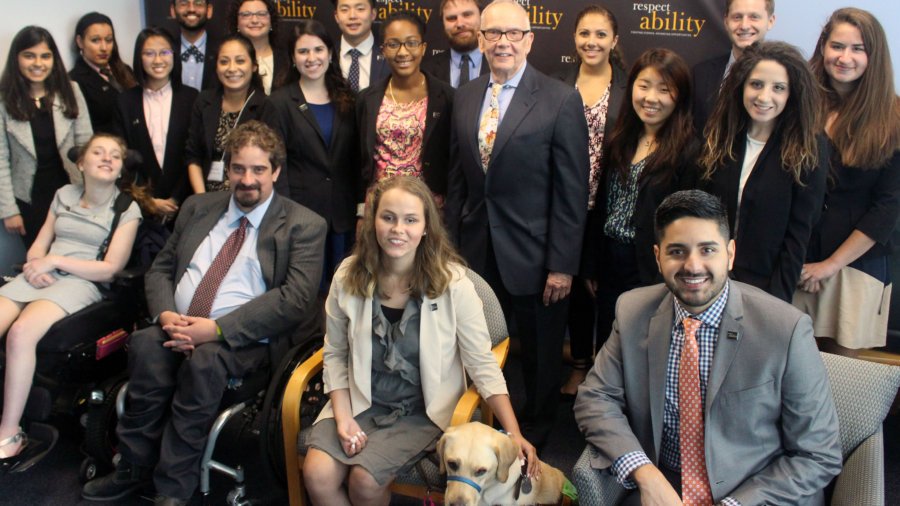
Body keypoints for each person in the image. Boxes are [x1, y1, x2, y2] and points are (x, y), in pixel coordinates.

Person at [81, 121, 327, 505]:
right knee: (146, 346)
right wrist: (165, 316)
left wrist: (216, 330)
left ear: (275, 172)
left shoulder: (304, 225)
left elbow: (294, 299)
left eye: (259, 170)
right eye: (239, 168)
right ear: (227, 169)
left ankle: (172, 489)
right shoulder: (198, 208)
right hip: (174, 326)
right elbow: (162, 268)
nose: (247, 180)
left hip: (242, 340)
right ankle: (132, 466)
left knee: (204, 365)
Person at [574, 189, 842, 505]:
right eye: (677, 251)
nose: (693, 266)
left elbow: (818, 453)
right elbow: (595, 397)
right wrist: (644, 472)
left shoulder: (785, 329)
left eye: (707, 250)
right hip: (665, 487)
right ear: (658, 257)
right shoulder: (633, 311)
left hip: (755, 493)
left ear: (730, 254)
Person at [302, 175, 538, 505]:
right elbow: (336, 353)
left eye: (410, 220)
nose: (398, 229)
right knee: (316, 473)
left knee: (365, 482)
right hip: (359, 399)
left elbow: (482, 365)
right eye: (388, 217)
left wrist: (514, 433)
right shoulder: (347, 274)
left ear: (426, 227)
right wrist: (342, 419)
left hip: (420, 410)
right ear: (373, 222)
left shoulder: (454, 284)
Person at [445, 0, 589, 448]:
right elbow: (457, 179)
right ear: (481, 39)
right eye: (492, 34)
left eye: (513, 33)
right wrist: (447, 249)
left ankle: (538, 433)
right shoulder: (466, 95)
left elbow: (572, 191)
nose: (502, 42)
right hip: (474, 249)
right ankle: (482, 425)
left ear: (530, 39)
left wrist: (563, 264)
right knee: (477, 345)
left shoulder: (560, 98)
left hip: (536, 255)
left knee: (542, 354)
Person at [0, 133, 142, 469]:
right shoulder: (63, 195)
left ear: (121, 168)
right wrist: (35, 265)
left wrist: (55, 262)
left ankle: (9, 434)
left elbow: (111, 269)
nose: (107, 158)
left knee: (21, 334)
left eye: (115, 155)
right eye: (98, 152)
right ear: (81, 162)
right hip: (40, 275)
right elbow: (40, 244)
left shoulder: (126, 208)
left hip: (82, 281)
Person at [580, 47, 698, 397]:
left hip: (650, 268)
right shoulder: (621, 138)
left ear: (680, 96)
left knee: (645, 354)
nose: (651, 98)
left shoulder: (690, 150)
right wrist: (591, 264)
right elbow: (601, 205)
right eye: (644, 86)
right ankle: (604, 420)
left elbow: (688, 223)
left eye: (664, 89)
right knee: (608, 346)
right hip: (609, 260)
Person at [794, 8, 900, 356]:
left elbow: (887, 208)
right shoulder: (800, 105)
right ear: (823, 48)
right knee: (788, 374)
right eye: (837, 46)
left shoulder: (893, 118)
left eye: (857, 49)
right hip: (798, 264)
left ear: (874, 56)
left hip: (854, 269)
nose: (845, 57)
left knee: (841, 382)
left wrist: (830, 266)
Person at [700, 41, 828, 302]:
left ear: (792, 93)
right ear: (741, 86)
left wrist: (777, 302)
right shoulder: (720, 136)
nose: (764, 97)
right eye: (756, 84)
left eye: (778, 88)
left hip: (765, 289)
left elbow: (798, 236)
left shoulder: (808, 148)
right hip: (709, 280)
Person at [555, 4, 628, 399]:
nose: (592, 42)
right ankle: (579, 366)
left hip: (610, 207)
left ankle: (606, 372)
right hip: (565, 207)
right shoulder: (558, 82)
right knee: (574, 294)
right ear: (574, 38)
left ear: (614, 41)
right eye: (585, 33)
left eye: (601, 35)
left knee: (606, 291)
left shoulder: (630, 86)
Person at [263, 20, 359, 288]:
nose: (312, 58)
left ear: (330, 53)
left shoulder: (349, 99)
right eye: (303, 51)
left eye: (318, 49)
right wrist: (286, 217)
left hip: (343, 217)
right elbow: (276, 166)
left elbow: (356, 161)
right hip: (301, 217)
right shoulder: (280, 103)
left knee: (343, 292)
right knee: (305, 293)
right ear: (293, 58)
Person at [0, 26, 93, 248]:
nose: (38, 63)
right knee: (41, 262)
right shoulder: (5, 100)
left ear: (54, 59)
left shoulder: (71, 90)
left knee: (76, 255)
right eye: (29, 56)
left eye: (45, 56)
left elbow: (86, 147)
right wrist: (9, 210)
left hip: (72, 191)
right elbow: (0, 160)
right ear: (17, 59)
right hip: (29, 199)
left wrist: (92, 195)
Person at [357, 11, 453, 207]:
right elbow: (358, 161)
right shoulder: (367, 99)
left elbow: (454, 160)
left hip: (429, 207)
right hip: (380, 206)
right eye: (393, 44)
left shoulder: (447, 97)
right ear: (383, 50)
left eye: (411, 43)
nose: (402, 52)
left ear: (423, 48)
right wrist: (360, 208)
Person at [114, 27, 199, 224]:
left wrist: (175, 199)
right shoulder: (125, 101)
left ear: (174, 56)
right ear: (139, 58)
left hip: (185, 205)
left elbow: (195, 153)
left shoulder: (192, 98)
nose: (158, 60)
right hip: (140, 207)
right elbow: (123, 157)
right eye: (149, 53)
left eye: (165, 52)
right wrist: (148, 201)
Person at [186, 33, 266, 194]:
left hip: (250, 198)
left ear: (254, 66)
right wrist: (202, 200)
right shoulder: (204, 101)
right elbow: (192, 155)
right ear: (216, 67)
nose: (231, 68)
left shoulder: (265, 107)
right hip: (206, 199)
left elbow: (269, 163)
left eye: (240, 61)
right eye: (224, 62)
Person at [692, 0, 775, 132]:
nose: (744, 25)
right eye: (737, 17)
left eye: (754, 17)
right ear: (726, 21)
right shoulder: (700, 74)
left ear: (770, 21)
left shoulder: (785, 78)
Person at [69, 12, 138, 134]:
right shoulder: (75, 80)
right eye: (95, 40)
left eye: (109, 40)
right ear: (80, 42)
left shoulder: (125, 69)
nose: (104, 47)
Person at [420, 0, 488, 88]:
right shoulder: (425, 71)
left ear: (481, 17)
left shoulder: (503, 65)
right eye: (451, 18)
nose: (460, 24)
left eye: (467, 15)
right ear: (443, 24)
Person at [227, 0, 287, 94]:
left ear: (271, 20)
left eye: (261, 14)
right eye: (246, 15)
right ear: (237, 22)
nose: (254, 20)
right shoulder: (226, 57)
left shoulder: (287, 57)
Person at [332, 0, 390, 92]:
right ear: (336, 16)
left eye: (360, 9)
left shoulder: (390, 55)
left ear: (373, 14)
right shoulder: (326, 56)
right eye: (344, 9)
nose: (352, 16)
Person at [169, 0, 218, 91]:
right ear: (173, 10)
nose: (191, 9)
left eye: (198, 3)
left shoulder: (222, 51)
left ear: (209, 10)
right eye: (183, 3)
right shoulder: (165, 52)